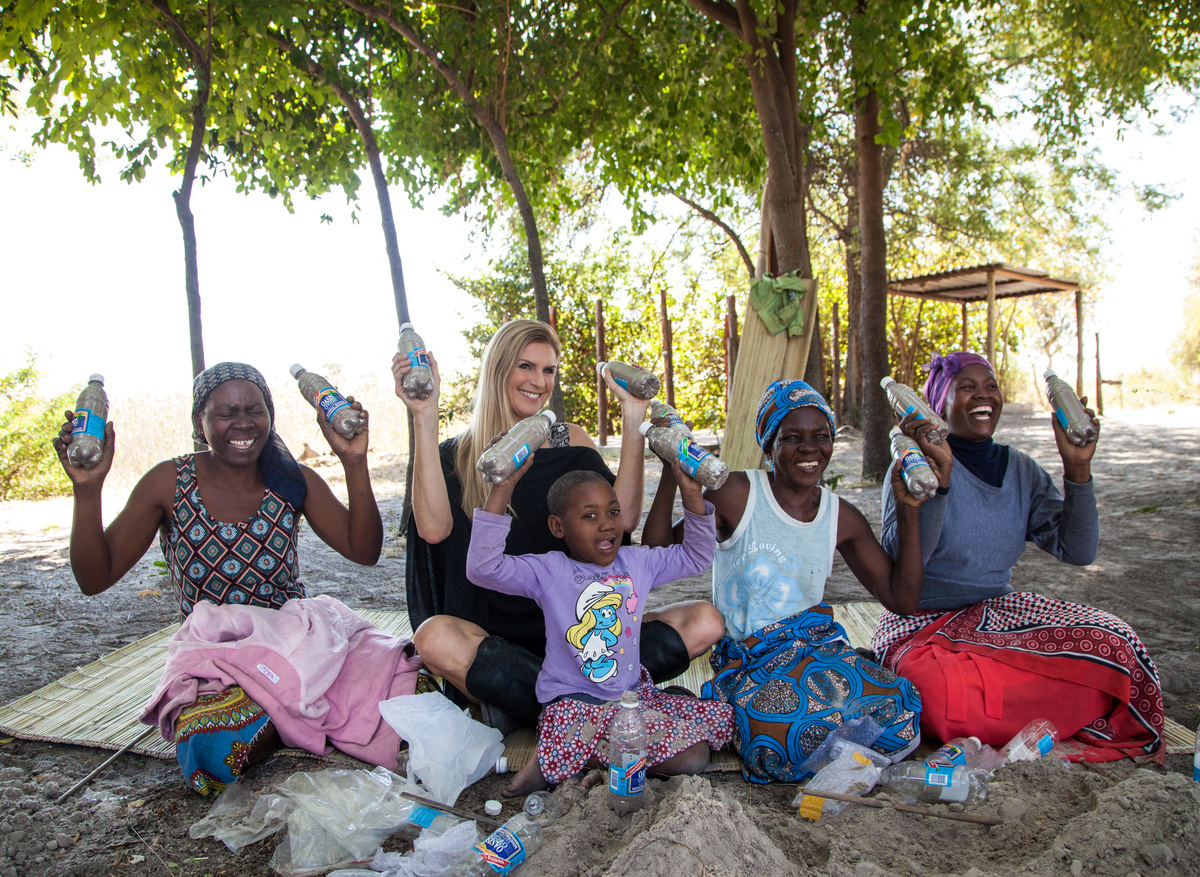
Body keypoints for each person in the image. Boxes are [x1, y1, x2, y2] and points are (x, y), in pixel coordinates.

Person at [54, 361, 385, 792]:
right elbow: (94, 578)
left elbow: (364, 551)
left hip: (295, 647)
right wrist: (87, 489)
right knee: (210, 749)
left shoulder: (290, 479)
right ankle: (300, 715)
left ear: (270, 416)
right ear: (200, 421)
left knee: (410, 680)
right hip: (215, 662)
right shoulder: (169, 483)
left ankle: (290, 714)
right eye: (226, 413)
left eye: (254, 410)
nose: (243, 423)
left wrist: (354, 460)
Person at [393, 320, 724, 731]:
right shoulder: (455, 454)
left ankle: (529, 705)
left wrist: (634, 412)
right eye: (526, 367)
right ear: (498, 370)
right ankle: (594, 705)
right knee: (433, 637)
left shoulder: (572, 440)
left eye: (548, 370)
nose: (539, 381)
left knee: (704, 620)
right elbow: (432, 530)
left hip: (581, 635)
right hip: (495, 637)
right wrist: (424, 414)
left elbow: (624, 518)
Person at [872, 352, 1164, 763]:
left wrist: (1077, 467)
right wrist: (940, 481)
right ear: (938, 405)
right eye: (967, 387)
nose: (983, 395)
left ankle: (1011, 721)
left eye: (990, 385)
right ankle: (1045, 720)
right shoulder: (909, 466)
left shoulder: (1021, 470)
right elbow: (905, 563)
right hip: (921, 624)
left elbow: (1079, 551)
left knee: (1115, 642)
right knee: (935, 694)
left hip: (999, 615)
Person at [642, 380, 937, 783]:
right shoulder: (737, 493)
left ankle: (828, 734)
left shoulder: (841, 516)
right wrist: (670, 470)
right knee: (780, 731)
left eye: (821, 437)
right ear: (769, 445)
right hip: (751, 663)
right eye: (792, 437)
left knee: (900, 708)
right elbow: (657, 553)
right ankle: (825, 736)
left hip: (814, 653)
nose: (810, 449)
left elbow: (902, 599)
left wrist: (909, 511)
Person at [466, 465, 733, 795]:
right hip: (575, 707)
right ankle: (566, 751)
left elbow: (696, 557)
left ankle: (572, 757)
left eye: (613, 511)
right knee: (694, 756)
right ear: (558, 527)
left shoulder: (637, 563)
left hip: (632, 698)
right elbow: (483, 568)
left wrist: (691, 493)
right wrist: (502, 488)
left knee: (720, 719)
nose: (607, 524)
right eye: (589, 516)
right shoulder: (549, 570)